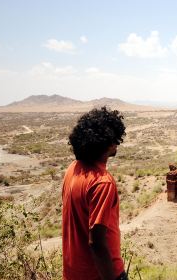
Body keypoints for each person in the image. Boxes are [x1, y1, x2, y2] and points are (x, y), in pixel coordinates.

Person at [62, 107, 127, 280]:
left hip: (74, 272)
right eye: (115, 139)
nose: (117, 143)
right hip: (99, 274)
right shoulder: (102, 182)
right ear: (109, 143)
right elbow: (96, 242)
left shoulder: (73, 169)